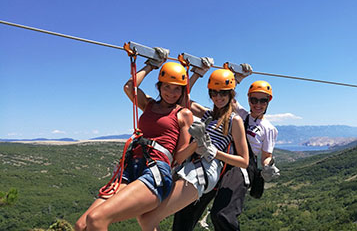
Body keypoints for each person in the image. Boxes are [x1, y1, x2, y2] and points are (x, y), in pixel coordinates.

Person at [74, 55, 193, 231]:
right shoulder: (149, 105)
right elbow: (129, 87)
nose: (171, 93)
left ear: (182, 91)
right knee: (81, 225)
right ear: (159, 86)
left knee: (97, 219)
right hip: (131, 168)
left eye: (177, 89)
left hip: (156, 172)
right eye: (167, 86)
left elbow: (180, 156)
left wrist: (198, 143)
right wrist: (151, 66)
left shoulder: (183, 114)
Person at [139, 68, 249, 231]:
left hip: (205, 169)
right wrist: (197, 72)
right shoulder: (207, 115)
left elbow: (244, 161)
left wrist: (214, 152)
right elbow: (183, 98)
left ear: (231, 94)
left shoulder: (235, 120)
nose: (218, 97)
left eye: (223, 93)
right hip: (189, 164)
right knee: (147, 215)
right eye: (214, 93)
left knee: (151, 217)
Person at [172, 76, 279, 231]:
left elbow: (266, 156)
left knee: (222, 214)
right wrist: (236, 76)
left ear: (268, 101)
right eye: (254, 100)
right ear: (248, 99)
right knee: (187, 209)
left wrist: (268, 167)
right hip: (221, 162)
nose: (258, 104)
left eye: (263, 101)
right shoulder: (241, 114)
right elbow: (225, 90)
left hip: (241, 167)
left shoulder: (268, 129)